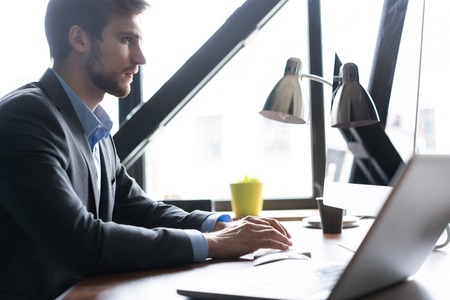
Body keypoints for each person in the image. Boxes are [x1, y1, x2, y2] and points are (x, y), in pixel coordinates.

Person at [0, 0, 292, 299]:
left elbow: (137, 210)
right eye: (127, 40)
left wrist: (219, 224)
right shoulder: (26, 117)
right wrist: (214, 243)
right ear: (79, 39)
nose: (140, 58)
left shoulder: (92, 125)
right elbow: (80, 242)